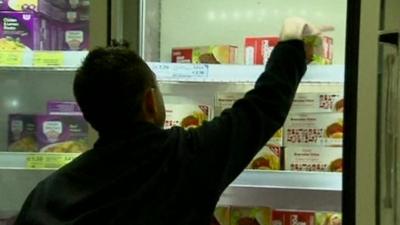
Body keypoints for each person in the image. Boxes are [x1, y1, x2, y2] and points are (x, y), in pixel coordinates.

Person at [14, 18, 327, 225]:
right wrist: (292, 40)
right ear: (151, 102)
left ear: (88, 114)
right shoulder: (184, 158)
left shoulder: (47, 197)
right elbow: (264, 105)